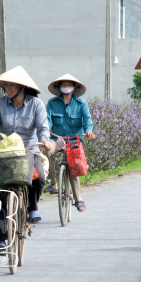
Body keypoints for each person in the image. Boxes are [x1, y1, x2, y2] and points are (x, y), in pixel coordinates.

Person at [0, 66, 52, 255]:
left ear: (22, 87)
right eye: (5, 85)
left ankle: (32, 207)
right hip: (5, 152)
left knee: (40, 176)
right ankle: (1, 240)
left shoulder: (36, 105)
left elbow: (43, 127)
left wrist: (44, 141)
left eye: (11, 85)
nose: (7, 88)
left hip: (29, 149)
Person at [43, 74, 94, 212]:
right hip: (57, 139)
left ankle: (78, 197)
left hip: (74, 140)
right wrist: (44, 132)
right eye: (63, 85)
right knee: (46, 150)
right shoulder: (52, 103)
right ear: (59, 87)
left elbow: (87, 120)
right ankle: (54, 183)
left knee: (73, 164)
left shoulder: (81, 104)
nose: (66, 87)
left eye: (68, 84)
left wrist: (89, 131)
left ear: (74, 87)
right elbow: (47, 121)